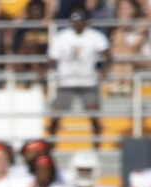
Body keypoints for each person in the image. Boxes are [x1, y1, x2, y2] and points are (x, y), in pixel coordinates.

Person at [46, 8, 110, 151]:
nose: (77, 24)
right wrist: (46, 70)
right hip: (67, 82)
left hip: (88, 81)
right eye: (74, 21)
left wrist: (103, 68)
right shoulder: (61, 37)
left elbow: (107, 54)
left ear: (86, 22)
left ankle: (97, 147)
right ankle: (51, 146)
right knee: (56, 113)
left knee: (94, 114)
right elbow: (51, 58)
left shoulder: (94, 36)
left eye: (80, 20)